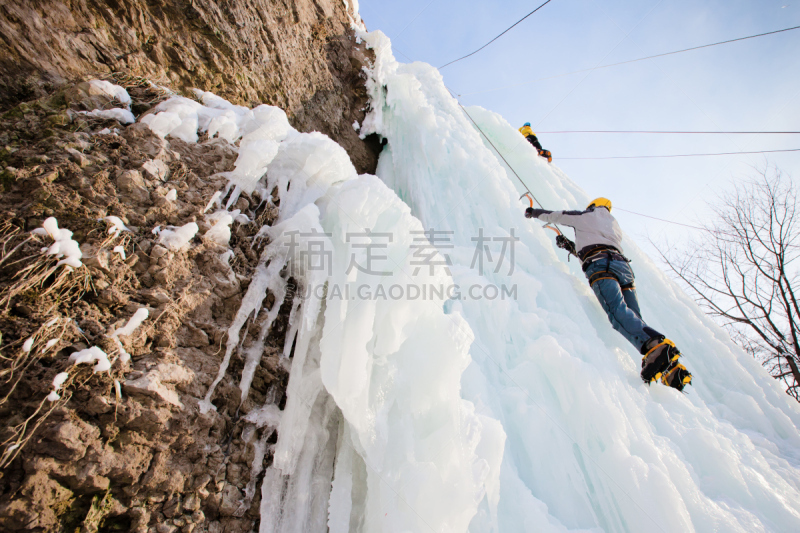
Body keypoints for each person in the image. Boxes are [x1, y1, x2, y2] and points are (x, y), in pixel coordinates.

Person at [525, 197, 692, 391]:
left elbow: (559, 217)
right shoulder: (613, 225)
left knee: (617, 313)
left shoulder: (585, 216)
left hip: (601, 266)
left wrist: (533, 212)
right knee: (633, 318)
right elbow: (597, 242)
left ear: (593, 206)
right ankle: (671, 369)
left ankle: (657, 345)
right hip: (623, 268)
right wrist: (570, 246)